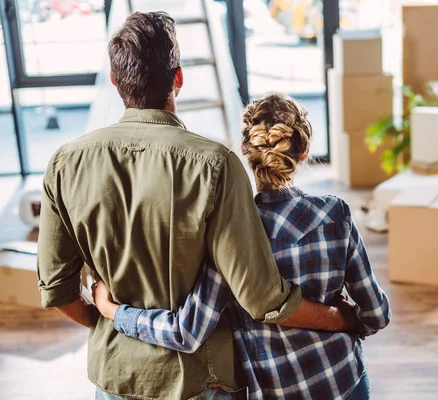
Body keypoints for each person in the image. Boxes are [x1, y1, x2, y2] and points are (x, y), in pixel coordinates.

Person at [36, 12, 357, 400]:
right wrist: (338, 318)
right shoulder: (215, 165)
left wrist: (107, 319)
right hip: (201, 380)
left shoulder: (65, 163)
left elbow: (56, 288)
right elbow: (261, 298)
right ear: (178, 78)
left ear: (115, 82)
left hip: (115, 375)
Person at [92, 93, 392, 399]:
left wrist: (114, 311)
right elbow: (377, 313)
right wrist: (345, 322)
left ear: (247, 153)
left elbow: (186, 331)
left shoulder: (230, 233)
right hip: (345, 381)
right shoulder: (335, 214)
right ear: (303, 153)